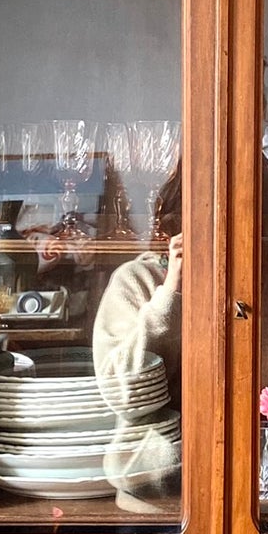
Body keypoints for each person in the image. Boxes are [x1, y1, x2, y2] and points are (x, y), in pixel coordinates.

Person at [93, 164, 182, 507]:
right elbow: (123, 393)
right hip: (151, 498)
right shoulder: (135, 279)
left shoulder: (255, 284)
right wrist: (170, 293)